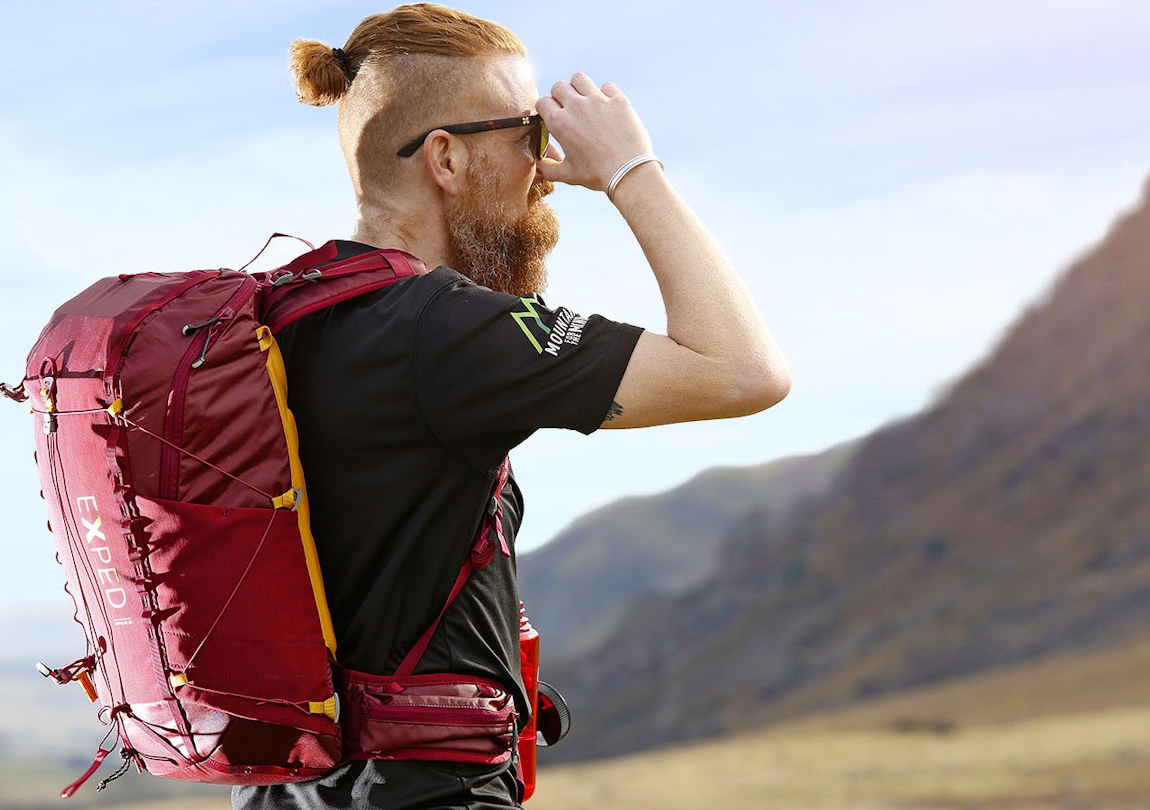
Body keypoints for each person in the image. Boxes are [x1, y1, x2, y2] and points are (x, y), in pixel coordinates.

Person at [232, 4, 789, 809]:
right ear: (447, 158)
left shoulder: (278, 316)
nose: (547, 163)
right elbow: (745, 371)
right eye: (528, 133)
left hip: (287, 793)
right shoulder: (444, 329)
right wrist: (633, 169)